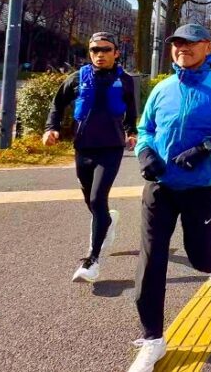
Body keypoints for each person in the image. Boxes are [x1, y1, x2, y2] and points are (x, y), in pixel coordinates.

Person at [127, 23, 211, 372]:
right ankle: (152, 339)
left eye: (190, 43)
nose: (182, 49)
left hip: (200, 187)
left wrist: (209, 147)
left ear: (207, 47)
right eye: (177, 44)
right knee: (151, 258)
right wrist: (145, 154)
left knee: (200, 254)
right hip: (159, 187)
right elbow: (145, 129)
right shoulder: (162, 89)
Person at [42, 32, 138, 283]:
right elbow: (57, 103)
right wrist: (50, 128)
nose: (100, 54)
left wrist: (132, 133)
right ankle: (108, 221)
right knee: (92, 203)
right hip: (83, 148)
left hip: (111, 148)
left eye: (106, 50)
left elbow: (132, 112)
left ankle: (92, 260)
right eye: (95, 50)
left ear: (116, 53)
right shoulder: (77, 78)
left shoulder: (125, 80)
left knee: (97, 198)